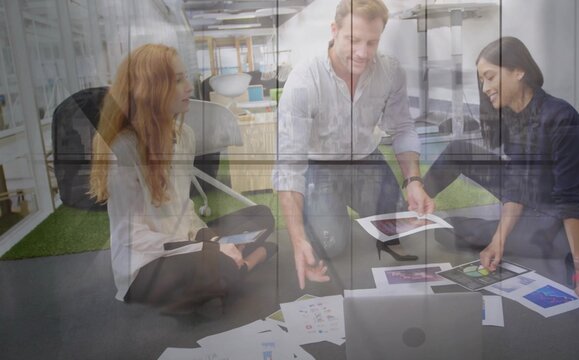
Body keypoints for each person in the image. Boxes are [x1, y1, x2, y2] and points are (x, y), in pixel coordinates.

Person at [423, 37, 579, 314]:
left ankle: (562, 253)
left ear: (518, 70)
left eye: (490, 77)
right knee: (459, 157)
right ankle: (417, 205)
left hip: (559, 224)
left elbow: (571, 200)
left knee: (453, 232)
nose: (485, 87)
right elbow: (516, 185)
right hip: (534, 204)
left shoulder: (561, 117)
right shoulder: (512, 116)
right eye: (481, 81)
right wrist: (499, 241)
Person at [89, 44, 276, 313]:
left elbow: (183, 208)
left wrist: (208, 238)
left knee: (261, 217)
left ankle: (227, 272)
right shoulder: (122, 150)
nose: (189, 87)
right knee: (220, 265)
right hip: (145, 265)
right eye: (178, 80)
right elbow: (132, 237)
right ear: (151, 90)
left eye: (185, 77)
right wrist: (206, 249)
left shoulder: (184, 136)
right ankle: (242, 265)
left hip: (185, 242)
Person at [274, 0, 435, 289]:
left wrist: (413, 180)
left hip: (365, 158)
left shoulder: (390, 72)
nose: (362, 53)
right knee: (330, 245)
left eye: (372, 42)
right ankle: (324, 221)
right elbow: (288, 166)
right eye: (353, 40)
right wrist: (297, 239)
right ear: (334, 30)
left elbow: (402, 128)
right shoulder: (302, 82)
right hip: (319, 164)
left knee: (397, 230)